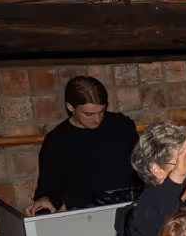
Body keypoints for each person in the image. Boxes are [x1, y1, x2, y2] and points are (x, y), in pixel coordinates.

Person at [27, 75, 139, 215]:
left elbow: (141, 167)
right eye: (89, 114)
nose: (96, 119)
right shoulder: (57, 141)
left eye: (101, 112)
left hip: (129, 210)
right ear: (70, 107)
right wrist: (44, 199)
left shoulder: (122, 125)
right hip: (85, 215)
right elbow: (49, 186)